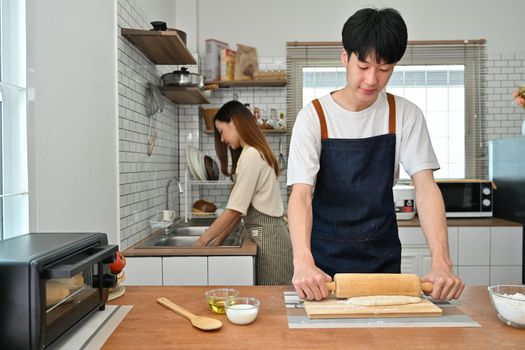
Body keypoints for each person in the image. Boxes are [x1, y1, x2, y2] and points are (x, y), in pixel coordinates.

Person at [287, 8, 464, 301]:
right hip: (322, 266)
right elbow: (301, 195)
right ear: (345, 57)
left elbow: (426, 187)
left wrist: (441, 263)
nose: (372, 79)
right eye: (363, 65)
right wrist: (302, 261)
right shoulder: (314, 117)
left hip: (382, 261)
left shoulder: (405, 115)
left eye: (384, 69)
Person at [194, 100, 293, 285]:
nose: (222, 139)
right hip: (269, 237)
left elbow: (234, 210)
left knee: (274, 304)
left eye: (222, 131)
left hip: (271, 241)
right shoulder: (252, 153)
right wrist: (217, 242)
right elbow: (239, 209)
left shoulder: (252, 155)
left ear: (234, 122)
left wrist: (200, 243)